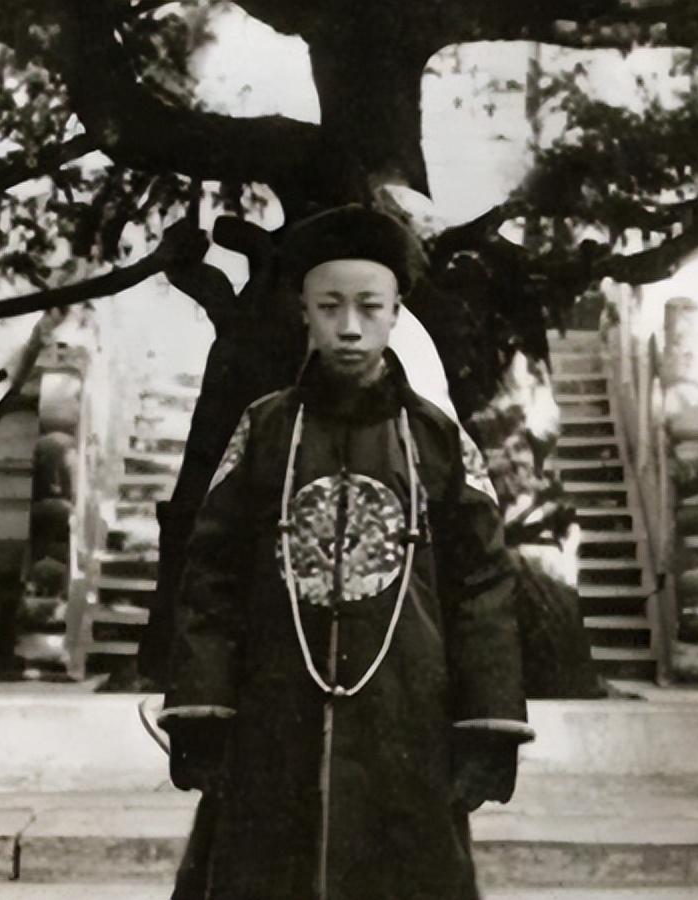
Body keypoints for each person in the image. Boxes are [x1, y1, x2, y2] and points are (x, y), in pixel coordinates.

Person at [158, 205, 534, 900]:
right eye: (330, 307)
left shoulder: (438, 442)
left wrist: (487, 722)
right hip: (276, 709)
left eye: (370, 306)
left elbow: (483, 586)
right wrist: (203, 706)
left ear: (396, 313)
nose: (350, 326)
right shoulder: (265, 431)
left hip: (406, 712)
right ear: (304, 311)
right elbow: (211, 575)